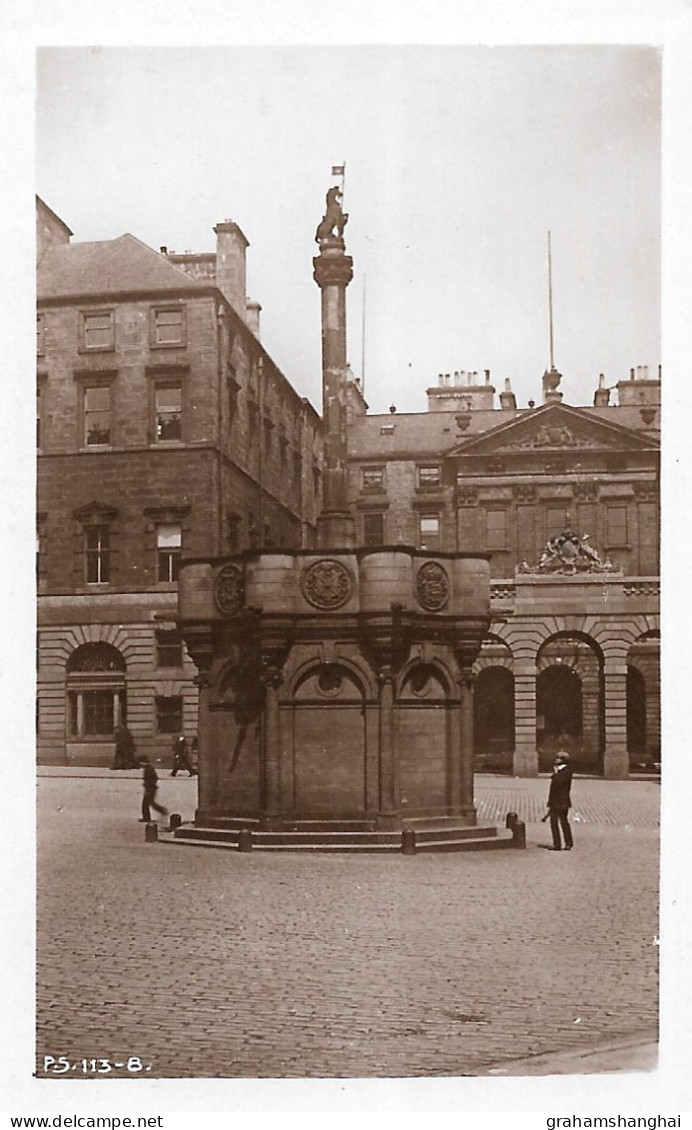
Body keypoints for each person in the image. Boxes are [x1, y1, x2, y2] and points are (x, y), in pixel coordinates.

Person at [544, 751, 574, 850]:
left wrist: (556, 773)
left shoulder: (566, 771)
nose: (556, 759)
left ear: (563, 760)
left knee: (563, 822)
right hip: (555, 801)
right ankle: (557, 844)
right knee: (554, 823)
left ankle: (568, 843)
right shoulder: (560, 771)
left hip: (562, 801)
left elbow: (558, 783)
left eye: (558, 758)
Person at [138, 756, 168, 823]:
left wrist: (148, 786)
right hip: (150, 788)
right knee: (149, 803)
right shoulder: (148, 768)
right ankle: (148, 816)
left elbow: (153, 778)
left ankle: (160, 811)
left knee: (147, 803)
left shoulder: (148, 769)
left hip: (150, 788)